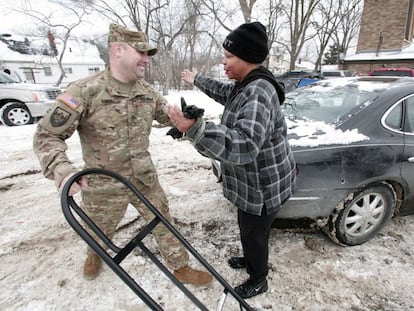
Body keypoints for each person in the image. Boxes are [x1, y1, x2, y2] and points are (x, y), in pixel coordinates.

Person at [33, 23, 212, 287]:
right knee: (97, 228)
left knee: (163, 222)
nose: (146, 59)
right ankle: (94, 253)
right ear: (117, 50)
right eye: (140, 52)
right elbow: (47, 136)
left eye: (148, 54)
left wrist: (184, 118)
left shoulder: (146, 91)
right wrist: (63, 171)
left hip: (144, 180)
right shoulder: (85, 91)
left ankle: (180, 267)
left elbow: (166, 115)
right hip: (102, 184)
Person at [167, 22, 296, 299]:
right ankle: (252, 260)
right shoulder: (245, 85)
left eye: (228, 57)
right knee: (248, 229)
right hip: (253, 183)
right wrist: (197, 80)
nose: (223, 62)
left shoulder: (259, 92)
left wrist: (196, 129)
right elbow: (224, 92)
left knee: (255, 234)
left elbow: (245, 144)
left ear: (247, 57)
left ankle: (258, 277)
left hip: (262, 188)